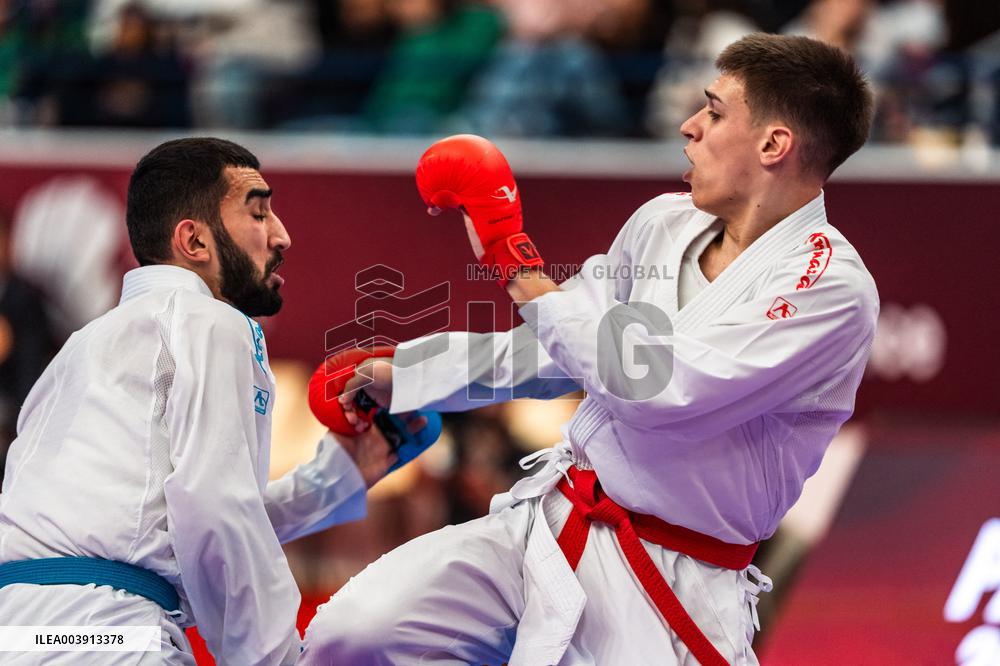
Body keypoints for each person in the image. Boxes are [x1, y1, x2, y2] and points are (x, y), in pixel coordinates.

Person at [302, 33, 879, 665]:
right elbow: (561, 348)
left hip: (670, 583)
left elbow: (661, 390)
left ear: (774, 144)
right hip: (551, 519)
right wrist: (404, 374)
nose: (689, 126)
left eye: (714, 112)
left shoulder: (829, 287)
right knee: (352, 634)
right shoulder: (665, 219)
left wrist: (516, 265)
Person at [0, 137, 404, 664]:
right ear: (194, 242)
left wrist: (343, 474)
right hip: (107, 635)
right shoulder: (208, 321)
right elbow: (214, 509)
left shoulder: (82, 348)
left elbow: (170, 521)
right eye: (258, 213)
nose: (282, 235)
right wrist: (274, 657)